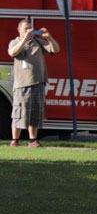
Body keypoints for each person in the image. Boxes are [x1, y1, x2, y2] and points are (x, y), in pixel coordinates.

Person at [8, 18, 59, 147]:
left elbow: (56, 49)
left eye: (30, 28)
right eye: (25, 28)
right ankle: (15, 141)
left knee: (35, 113)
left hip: (39, 83)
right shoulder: (15, 42)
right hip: (22, 84)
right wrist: (24, 39)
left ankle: (33, 140)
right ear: (19, 30)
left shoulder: (38, 42)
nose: (29, 31)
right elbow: (12, 52)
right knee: (19, 113)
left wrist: (49, 38)